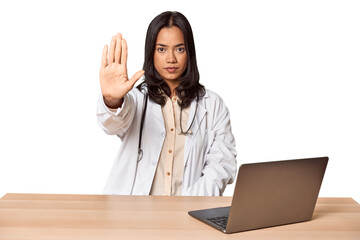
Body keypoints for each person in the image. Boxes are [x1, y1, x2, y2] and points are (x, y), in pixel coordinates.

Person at [97, 11, 237, 196]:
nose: (171, 58)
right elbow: (113, 123)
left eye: (179, 49)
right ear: (151, 53)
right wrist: (112, 99)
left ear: (189, 52)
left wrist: (188, 205)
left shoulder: (213, 105)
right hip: (136, 214)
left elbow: (222, 165)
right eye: (161, 49)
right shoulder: (136, 99)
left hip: (188, 215)